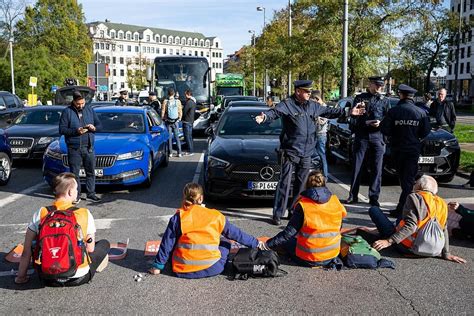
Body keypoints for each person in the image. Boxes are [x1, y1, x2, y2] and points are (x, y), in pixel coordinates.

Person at [255, 80, 365, 225]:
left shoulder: (313, 106)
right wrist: (264, 117)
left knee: (301, 185)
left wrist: (350, 112)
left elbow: (330, 112)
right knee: (285, 183)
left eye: (310, 91)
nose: (309, 94)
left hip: (307, 151)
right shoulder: (288, 104)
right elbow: (275, 112)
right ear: (298, 91)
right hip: (291, 150)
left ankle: (293, 211)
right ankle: (278, 214)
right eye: (306, 91)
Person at [148, 183, 261, 279]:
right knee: (225, 241)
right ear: (201, 198)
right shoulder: (216, 215)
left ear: (185, 197)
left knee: (177, 242)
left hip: (181, 270)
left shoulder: (179, 217)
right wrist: (257, 243)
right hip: (213, 268)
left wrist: (158, 266)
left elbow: (167, 243)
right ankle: (222, 263)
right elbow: (237, 234)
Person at [15, 172, 110, 286]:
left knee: (35, 242)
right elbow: (90, 249)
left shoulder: (41, 212)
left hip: (47, 278)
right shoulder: (84, 213)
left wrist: (21, 277)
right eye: (76, 189)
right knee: (103, 243)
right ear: (70, 192)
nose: (77, 192)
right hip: (78, 277)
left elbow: (26, 251)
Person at [369, 175, 466, 264]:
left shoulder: (414, 197)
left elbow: (411, 226)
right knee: (402, 216)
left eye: (415, 183)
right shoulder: (442, 203)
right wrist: (446, 253)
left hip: (408, 247)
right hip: (432, 251)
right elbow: (443, 229)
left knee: (374, 210)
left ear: (419, 186)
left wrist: (388, 241)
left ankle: (391, 234)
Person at [262, 171, 346, 268]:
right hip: (332, 255)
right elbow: (339, 227)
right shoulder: (335, 201)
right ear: (324, 184)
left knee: (286, 242)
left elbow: (287, 234)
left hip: (309, 258)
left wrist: (267, 245)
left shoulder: (303, 205)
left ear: (307, 185)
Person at [381, 84, 431, 218]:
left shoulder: (394, 111)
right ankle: (407, 207)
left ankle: (404, 209)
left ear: (401, 95)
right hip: (413, 150)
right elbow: (426, 131)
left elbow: (385, 129)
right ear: (412, 96)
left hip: (398, 149)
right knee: (407, 180)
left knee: (405, 181)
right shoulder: (421, 112)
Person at [345, 76, 390, 207]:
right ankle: (353, 195)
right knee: (357, 167)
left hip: (377, 136)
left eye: (381, 86)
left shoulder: (384, 100)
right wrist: (365, 122)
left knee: (377, 168)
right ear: (370, 84)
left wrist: (381, 123)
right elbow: (353, 119)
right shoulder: (360, 98)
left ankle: (374, 197)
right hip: (362, 136)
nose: (379, 88)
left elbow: (388, 120)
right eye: (377, 85)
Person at [59, 91, 102, 203]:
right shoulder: (67, 112)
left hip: (89, 147)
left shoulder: (89, 109)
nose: (81, 106)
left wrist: (94, 127)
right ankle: (76, 195)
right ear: (73, 102)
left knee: (91, 172)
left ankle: (91, 193)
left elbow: (99, 125)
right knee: (75, 174)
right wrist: (76, 131)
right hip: (74, 148)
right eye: (78, 104)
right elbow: (62, 129)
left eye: (82, 103)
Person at [310, 90, 329, 179]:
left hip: (321, 135)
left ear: (317, 99)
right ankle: (315, 175)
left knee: (321, 155)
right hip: (314, 134)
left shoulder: (324, 108)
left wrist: (314, 116)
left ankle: (325, 176)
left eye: (312, 100)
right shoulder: (317, 107)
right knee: (313, 155)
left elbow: (322, 121)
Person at [161, 88, 183, 158]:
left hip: (168, 121)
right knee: (177, 137)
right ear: (174, 94)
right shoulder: (178, 101)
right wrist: (179, 118)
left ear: (168, 94)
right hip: (175, 121)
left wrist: (163, 119)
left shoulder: (165, 101)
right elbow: (180, 111)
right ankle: (179, 152)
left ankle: (170, 153)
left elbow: (163, 112)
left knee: (169, 138)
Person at [182, 89, 196, 156]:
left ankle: (190, 150)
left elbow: (184, 111)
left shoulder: (188, 102)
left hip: (187, 121)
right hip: (191, 121)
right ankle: (191, 149)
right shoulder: (193, 102)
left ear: (188, 95)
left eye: (185, 94)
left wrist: (181, 118)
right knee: (190, 136)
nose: (185, 96)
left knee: (187, 137)